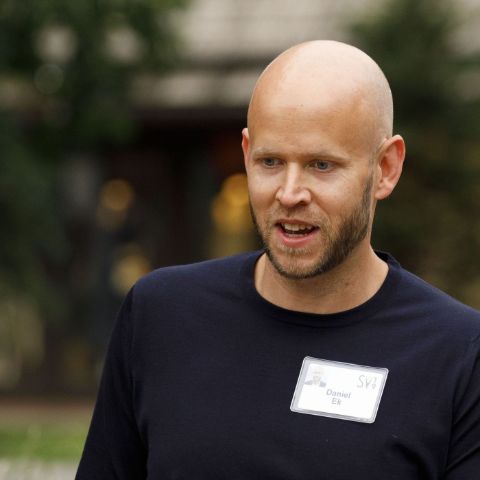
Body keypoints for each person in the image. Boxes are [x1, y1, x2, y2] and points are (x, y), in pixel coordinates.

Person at [76, 40, 480, 479]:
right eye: (270, 162)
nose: (289, 194)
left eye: (321, 165)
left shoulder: (458, 353)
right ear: (246, 154)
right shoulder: (160, 315)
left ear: (386, 168)